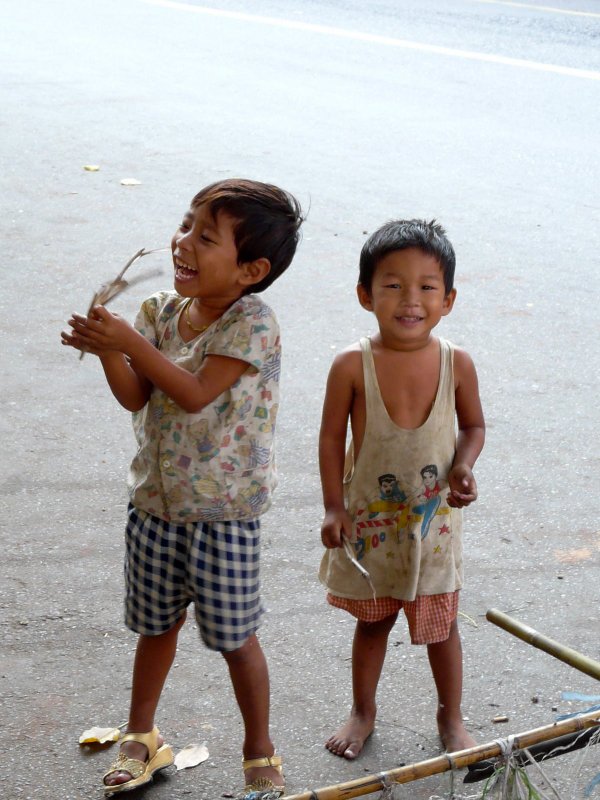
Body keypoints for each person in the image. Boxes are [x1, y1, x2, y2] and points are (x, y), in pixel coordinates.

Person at [61, 179, 303, 796]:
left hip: (223, 514)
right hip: (155, 504)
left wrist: (129, 343)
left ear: (251, 269)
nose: (184, 243)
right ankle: (141, 736)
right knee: (155, 627)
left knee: (235, 639)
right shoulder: (158, 314)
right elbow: (137, 395)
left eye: (206, 236)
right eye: (186, 224)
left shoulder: (253, 324)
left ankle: (260, 752)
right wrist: (111, 350)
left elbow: (194, 394)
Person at [318, 219, 485, 760]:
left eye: (426, 287)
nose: (409, 300)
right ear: (366, 295)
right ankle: (362, 711)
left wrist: (463, 466)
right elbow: (328, 438)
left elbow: (474, 427)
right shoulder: (351, 364)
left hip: (433, 531)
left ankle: (451, 716)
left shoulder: (456, 363)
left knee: (442, 629)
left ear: (449, 298)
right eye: (392, 285)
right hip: (372, 529)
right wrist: (333, 508)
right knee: (373, 625)